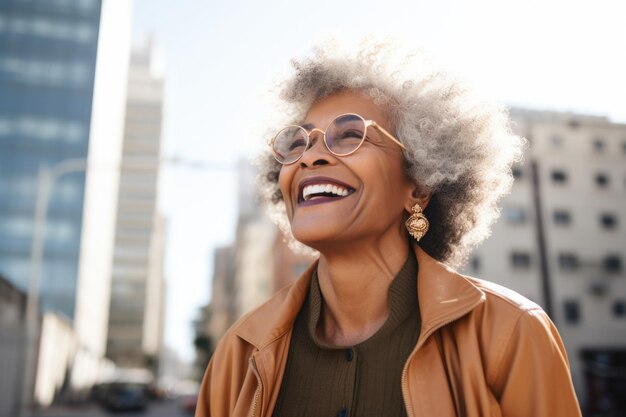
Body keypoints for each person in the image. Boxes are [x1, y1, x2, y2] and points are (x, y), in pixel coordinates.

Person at [195, 38, 582, 417]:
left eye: (349, 135)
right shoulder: (239, 353)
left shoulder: (511, 333)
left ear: (419, 185)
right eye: (298, 143)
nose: (310, 157)